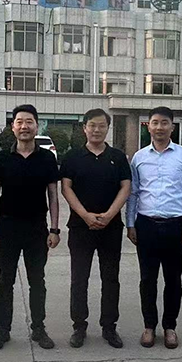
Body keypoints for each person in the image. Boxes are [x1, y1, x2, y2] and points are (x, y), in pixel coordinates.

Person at [0, 104, 61, 350]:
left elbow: (53, 195)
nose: (24, 126)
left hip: (37, 228)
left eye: (29, 122)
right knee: (5, 280)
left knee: (37, 280)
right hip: (7, 228)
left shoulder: (47, 158)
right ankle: (2, 330)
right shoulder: (3, 158)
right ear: (13, 127)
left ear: (37, 126)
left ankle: (38, 329)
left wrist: (54, 229)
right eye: (19, 122)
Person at [126, 106, 182, 350]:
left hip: (175, 226)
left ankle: (170, 327)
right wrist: (130, 224)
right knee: (147, 279)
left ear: (172, 126)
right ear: (148, 126)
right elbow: (133, 193)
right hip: (145, 225)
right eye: (155, 122)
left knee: (173, 280)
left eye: (164, 122)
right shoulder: (139, 157)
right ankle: (149, 326)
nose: (159, 127)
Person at [60, 108, 132, 349]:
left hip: (111, 228)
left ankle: (109, 327)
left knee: (110, 278)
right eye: (92, 125)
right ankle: (79, 326)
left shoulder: (117, 157)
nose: (97, 130)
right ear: (84, 128)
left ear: (108, 128)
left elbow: (126, 187)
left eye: (102, 125)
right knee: (79, 278)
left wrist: (110, 215)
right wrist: (85, 215)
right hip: (80, 228)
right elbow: (66, 188)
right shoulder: (72, 157)